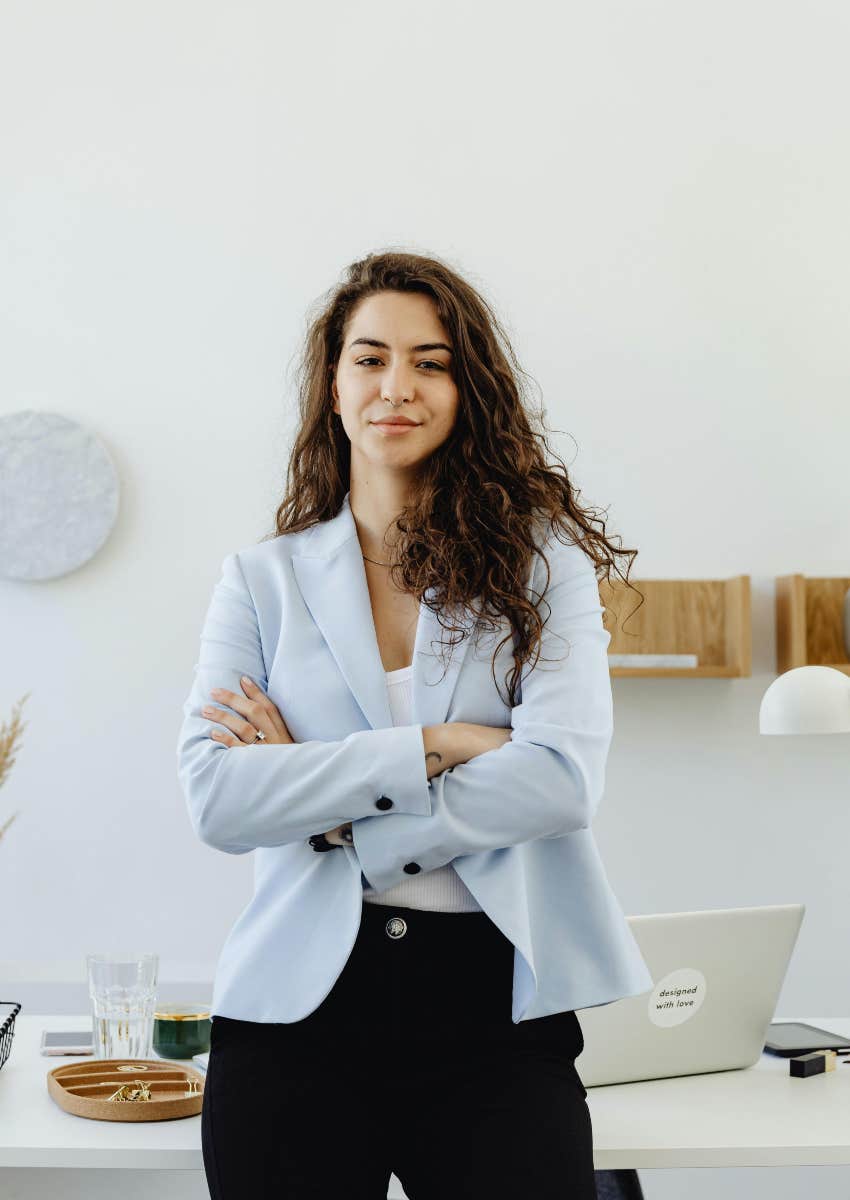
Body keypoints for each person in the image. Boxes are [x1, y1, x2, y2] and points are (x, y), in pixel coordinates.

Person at [177, 249, 653, 1199]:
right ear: (333, 383)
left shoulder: (540, 570)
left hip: (494, 1012)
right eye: (370, 358)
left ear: (465, 389)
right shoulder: (260, 580)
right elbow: (220, 799)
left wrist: (324, 799)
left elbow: (560, 783)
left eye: (431, 363)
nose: (397, 386)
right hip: (293, 1017)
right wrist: (436, 746)